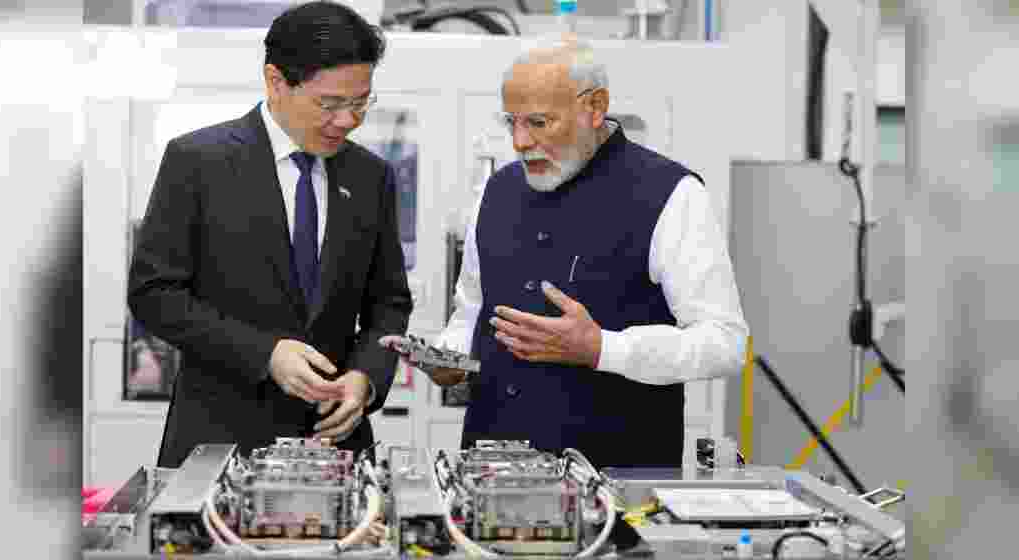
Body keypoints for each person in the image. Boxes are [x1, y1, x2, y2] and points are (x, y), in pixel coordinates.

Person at [383, 36, 748, 469]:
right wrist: (448, 358)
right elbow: (472, 310)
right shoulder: (497, 192)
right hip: (488, 477)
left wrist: (602, 349)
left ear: (594, 107)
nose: (519, 142)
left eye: (539, 123)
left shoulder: (671, 194)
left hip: (616, 482)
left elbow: (725, 343)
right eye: (512, 123)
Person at [129, 1, 413, 469]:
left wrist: (365, 378)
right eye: (330, 104)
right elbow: (154, 294)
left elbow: (389, 305)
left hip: (332, 446)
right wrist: (265, 354)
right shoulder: (198, 162)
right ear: (276, 81)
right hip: (220, 441)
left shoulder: (370, 177)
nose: (347, 120)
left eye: (360, 103)